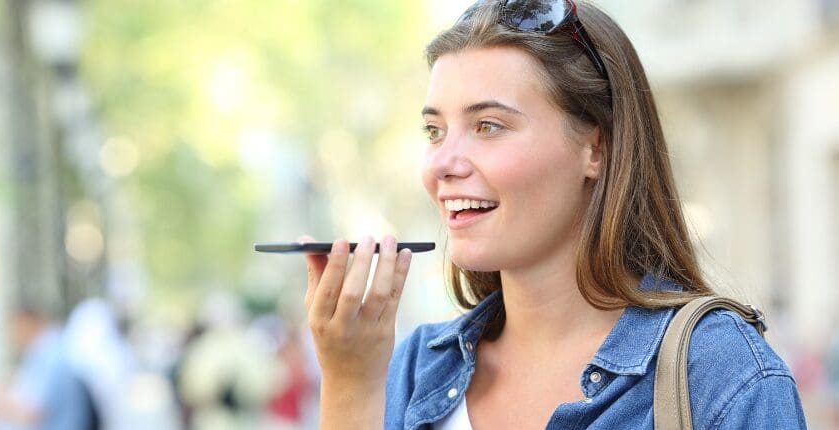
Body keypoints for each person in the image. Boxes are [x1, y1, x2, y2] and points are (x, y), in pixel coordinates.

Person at [300, 1, 808, 429]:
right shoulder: (409, 369)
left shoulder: (724, 378)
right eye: (434, 131)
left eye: (489, 126)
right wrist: (349, 387)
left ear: (596, 148)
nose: (442, 165)